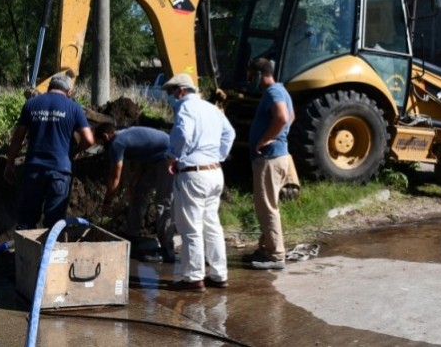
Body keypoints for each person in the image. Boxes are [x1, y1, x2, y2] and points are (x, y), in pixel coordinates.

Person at [165, 73, 235, 292]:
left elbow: (182, 134)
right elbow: (229, 133)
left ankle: (194, 277)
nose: (171, 98)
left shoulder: (186, 108)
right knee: (212, 225)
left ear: (180, 91)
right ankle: (219, 274)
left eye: (171, 93)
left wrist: (174, 155)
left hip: (193, 174)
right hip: (214, 172)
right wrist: (218, 156)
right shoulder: (212, 109)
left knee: (191, 227)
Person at [4, 74, 94, 229]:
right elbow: (89, 139)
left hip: (33, 170)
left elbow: (18, 137)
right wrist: (75, 150)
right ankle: (49, 252)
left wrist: (9, 163)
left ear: (49, 87)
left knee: (26, 220)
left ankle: (24, 253)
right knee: (54, 224)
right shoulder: (74, 107)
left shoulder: (31, 104)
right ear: (68, 92)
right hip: (60, 170)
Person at [94, 122, 176, 263]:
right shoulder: (124, 137)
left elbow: (115, 177)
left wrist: (107, 202)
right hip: (154, 158)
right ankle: (132, 235)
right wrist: (134, 182)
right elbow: (144, 154)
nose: (101, 147)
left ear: (106, 136)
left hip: (168, 158)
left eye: (100, 143)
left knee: (163, 203)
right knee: (138, 192)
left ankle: (167, 251)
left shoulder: (116, 143)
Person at [244, 57, 294, 271]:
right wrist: (280, 135)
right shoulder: (282, 90)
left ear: (258, 74)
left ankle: (275, 255)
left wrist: (265, 139)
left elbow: (283, 117)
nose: (249, 80)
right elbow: (291, 116)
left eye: (250, 76)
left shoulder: (273, 92)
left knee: (267, 207)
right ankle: (266, 248)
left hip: (270, 158)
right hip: (279, 156)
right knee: (267, 205)